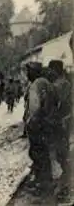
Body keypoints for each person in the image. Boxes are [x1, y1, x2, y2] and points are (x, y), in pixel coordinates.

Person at [23, 62, 57, 195]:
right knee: (43, 153)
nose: (27, 74)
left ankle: (44, 185)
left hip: (38, 124)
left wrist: (30, 122)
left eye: (28, 71)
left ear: (34, 72)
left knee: (38, 154)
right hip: (47, 122)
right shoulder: (47, 83)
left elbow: (35, 107)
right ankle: (42, 181)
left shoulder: (36, 85)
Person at [47, 60, 72, 200]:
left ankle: (66, 185)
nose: (49, 73)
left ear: (55, 70)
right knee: (62, 151)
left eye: (51, 70)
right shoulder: (65, 83)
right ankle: (65, 181)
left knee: (61, 152)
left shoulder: (59, 85)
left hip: (60, 122)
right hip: (64, 121)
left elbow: (58, 105)